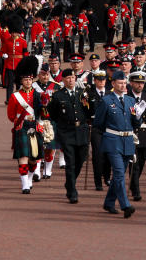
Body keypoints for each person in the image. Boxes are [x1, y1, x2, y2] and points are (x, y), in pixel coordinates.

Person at [94, 69, 141, 218]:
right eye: (120, 83)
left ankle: (109, 202)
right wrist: (109, 134)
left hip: (127, 141)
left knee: (118, 177)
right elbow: (98, 123)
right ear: (113, 83)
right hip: (113, 141)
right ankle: (125, 205)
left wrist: (139, 115)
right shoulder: (107, 101)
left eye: (124, 83)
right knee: (120, 173)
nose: (123, 85)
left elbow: (135, 122)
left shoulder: (130, 100)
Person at [48, 67, 92, 203]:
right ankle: (72, 191)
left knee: (81, 159)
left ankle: (70, 182)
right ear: (63, 80)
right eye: (68, 78)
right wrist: (63, 125)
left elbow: (88, 110)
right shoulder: (58, 95)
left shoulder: (82, 93)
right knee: (70, 162)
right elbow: (53, 113)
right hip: (67, 131)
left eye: (73, 77)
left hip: (82, 130)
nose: (71, 80)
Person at [6, 56, 43, 194]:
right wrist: (18, 123)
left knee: (34, 158)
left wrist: (39, 122)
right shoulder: (15, 96)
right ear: (21, 81)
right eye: (25, 79)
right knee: (23, 155)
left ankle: (29, 178)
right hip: (22, 126)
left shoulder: (38, 95)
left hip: (35, 125)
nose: (28, 82)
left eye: (30, 79)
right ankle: (24, 185)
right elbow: (10, 114)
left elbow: (43, 113)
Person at [127, 70, 146, 202]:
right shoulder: (127, 97)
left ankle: (134, 185)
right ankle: (136, 191)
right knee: (134, 163)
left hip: (144, 134)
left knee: (141, 162)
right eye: (137, 83)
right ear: (131, 83)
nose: (140, 85)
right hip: (131, 133)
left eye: (142, 83)